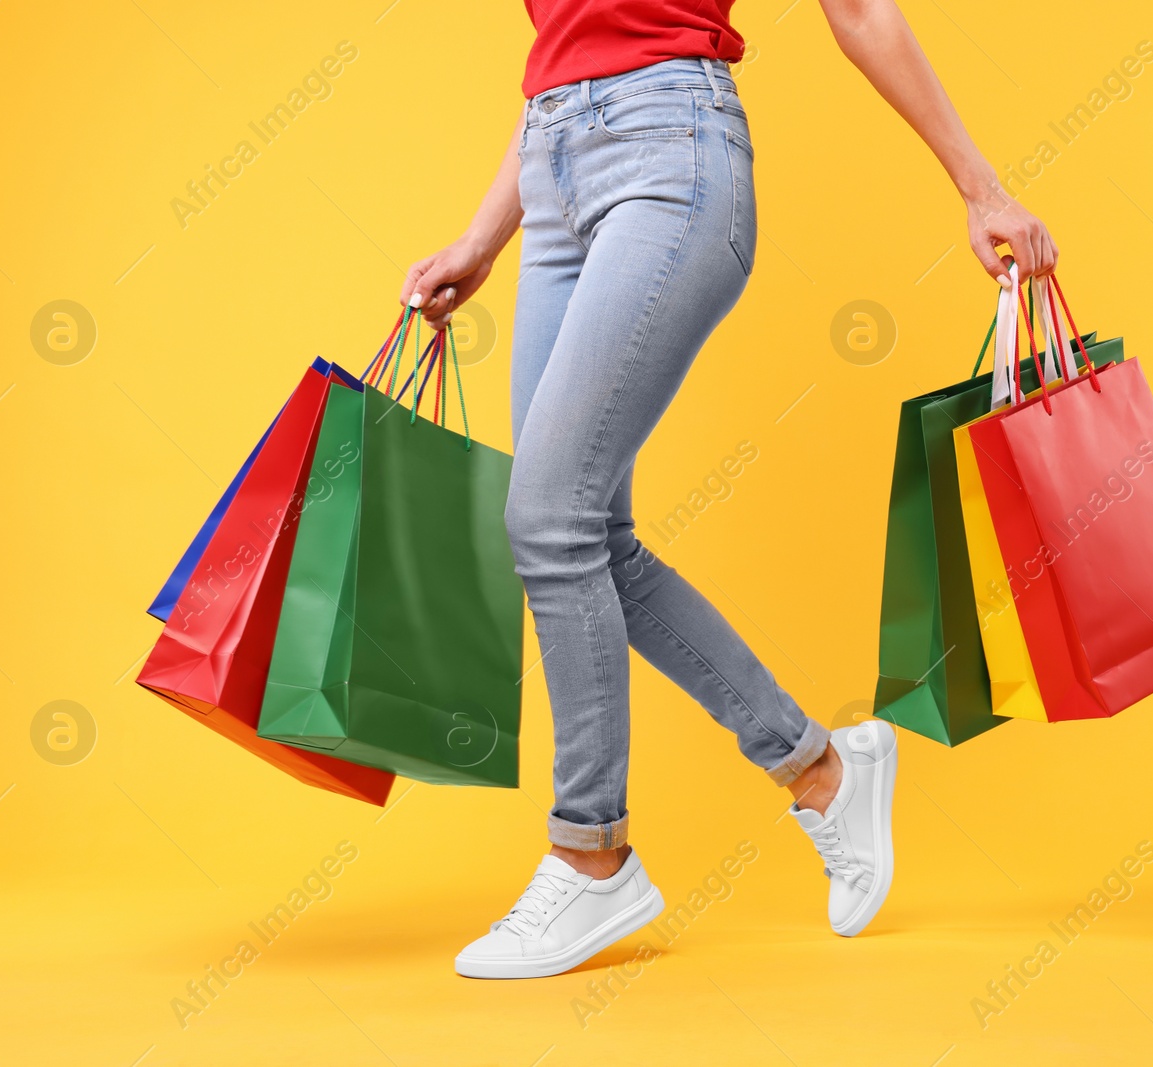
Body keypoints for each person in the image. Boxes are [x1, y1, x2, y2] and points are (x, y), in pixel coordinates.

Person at [400, 0, 1059, 980]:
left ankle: (591, 851)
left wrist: (983, 189)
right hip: (552, 169)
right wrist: (483, 238)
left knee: (546, 518)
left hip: (672, 157)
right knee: (585, 535)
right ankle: (820, 769)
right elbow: (566, 52)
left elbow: (858, 8)